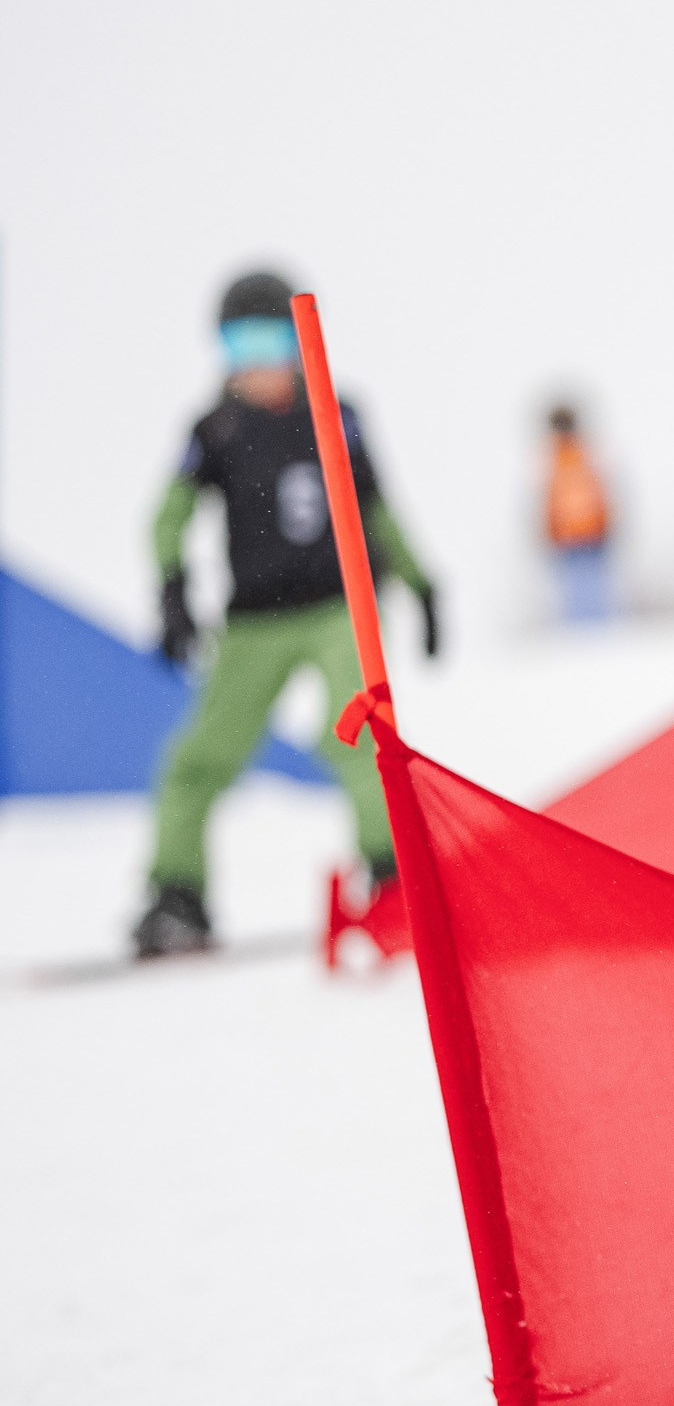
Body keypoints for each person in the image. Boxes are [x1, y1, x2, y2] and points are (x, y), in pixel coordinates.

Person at [133, 270, 440, 958]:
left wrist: (421, 582)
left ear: (300, 344)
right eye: (242, 345)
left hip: (338, 610)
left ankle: (395, 877)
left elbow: (380, 509)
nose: (259, 362)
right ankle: (177, 893)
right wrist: (171, 588)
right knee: (198, 759)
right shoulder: (215, 427)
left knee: (362, 738)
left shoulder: (337, 411)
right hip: (253, 624)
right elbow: (168, 516)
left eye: (273, 341)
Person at [541, 401, 615, 623]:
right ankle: (583, 639)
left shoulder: (581, 455)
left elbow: (600, 492)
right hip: (573, 537)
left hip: (589, 534)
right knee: (578, 595)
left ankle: (595, 636)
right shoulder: (554, 459)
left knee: (590, 593)